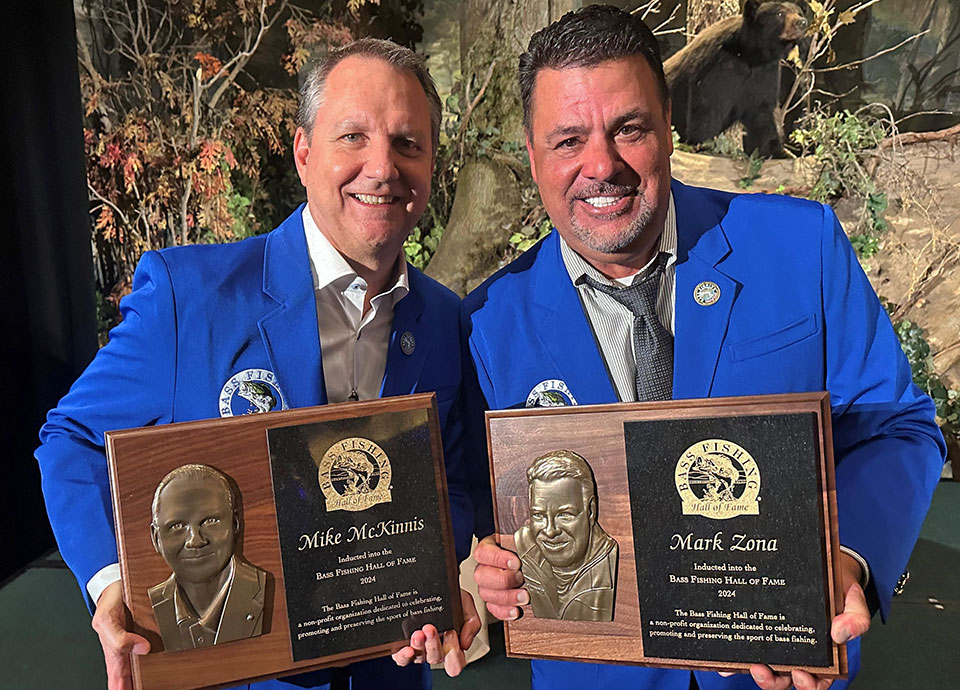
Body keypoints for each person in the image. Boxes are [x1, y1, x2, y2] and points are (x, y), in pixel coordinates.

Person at [462, 5, 946, 690]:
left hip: (785, 670)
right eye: (567, 139)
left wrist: (847, 557)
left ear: (667, 124)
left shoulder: (800, 248)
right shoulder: (485, 322)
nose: (601, 164)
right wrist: (482, 566)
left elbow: (897, 424)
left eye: (628, 128)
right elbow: (475, 508)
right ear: (531, 150)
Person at [36, 38, 480, 690]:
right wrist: (109, 584)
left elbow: (460, 483)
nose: (382, 166)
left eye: (408, 143)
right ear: (303, 152)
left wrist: (431, 575)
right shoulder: (190, 298)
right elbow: (70, 441)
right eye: (352, 136)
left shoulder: (445, 320)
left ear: (432, 162)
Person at [148, 464, 267, 651]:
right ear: (156, 538)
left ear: (235, 524)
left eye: (210, 521)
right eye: (177, 526)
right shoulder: (151, 608)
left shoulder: (261, 592)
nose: (195, 541)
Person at [514, 450, 618, 622]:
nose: (550, 531)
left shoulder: (607, 568)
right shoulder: (524, 545)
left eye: (565, 515)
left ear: (591, 511)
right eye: (538, 515)